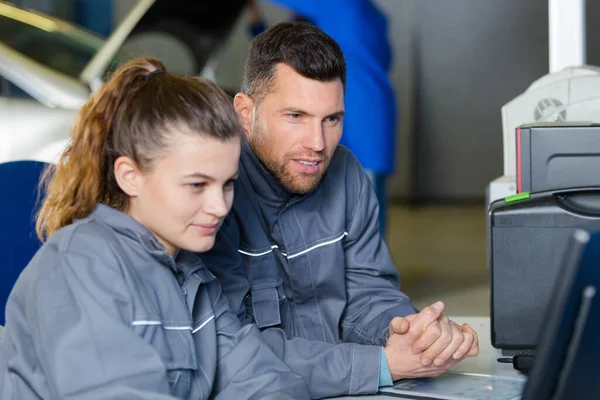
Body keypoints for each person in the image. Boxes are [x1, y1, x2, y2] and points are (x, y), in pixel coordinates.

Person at [0, 58, 309, 400]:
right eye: (196, 185)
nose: (220, 207)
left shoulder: (190, 275)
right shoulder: (79, 267)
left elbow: (261, 377)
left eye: (227, 184)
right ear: (130, 176)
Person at [200, 22, 479, 399]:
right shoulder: (213, 195)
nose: (317, 144)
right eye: (295, 116)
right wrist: (381, 365)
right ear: (244, 112)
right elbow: (234, 353)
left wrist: (411, 335)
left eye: (332, 119)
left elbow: (368, 292)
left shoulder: (346, 175)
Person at [245, 0, 396, 234]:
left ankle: (366, 269)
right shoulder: (367, 16)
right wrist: (255, 18)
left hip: (361, 120)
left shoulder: (343, 6)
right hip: (355, 117)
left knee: (364, 210)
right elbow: (278, 54)